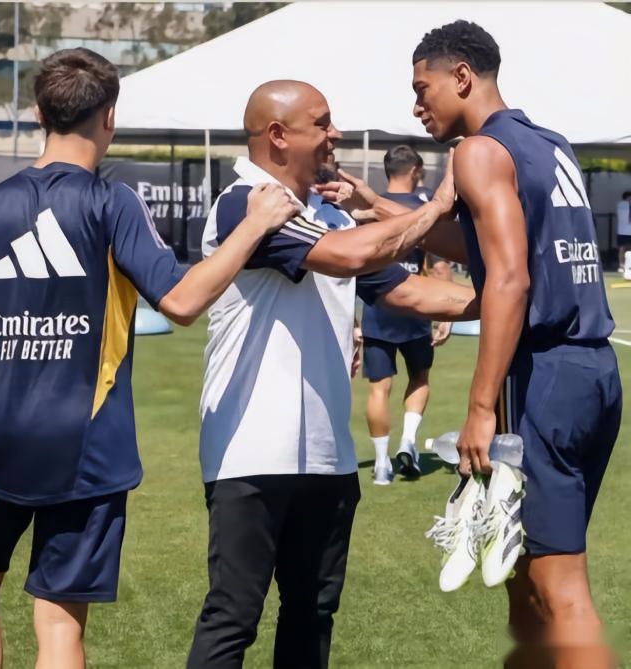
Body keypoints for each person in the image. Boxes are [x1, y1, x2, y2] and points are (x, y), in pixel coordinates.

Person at [0, 48, 299, 669]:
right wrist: (254, 224)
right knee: (59, 625)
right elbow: (182, 301)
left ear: (39, 115)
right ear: (110, 117)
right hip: (85, 450)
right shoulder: (112, 203)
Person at [339, 20, 619, 667]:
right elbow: (485, 244)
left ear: (461, 76)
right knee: (523, 574)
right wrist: (381, 206)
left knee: (559, 591)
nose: (416, 105)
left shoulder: (478, 152)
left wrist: (480, 407)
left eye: (422, 88)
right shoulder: (548, 143)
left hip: (542, 378)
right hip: (594, 374)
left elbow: (510, 278)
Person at [187, 79, 478, 669]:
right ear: (277, 135)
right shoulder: (247, 203)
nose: (335, 134)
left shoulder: (326, 215)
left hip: (329, 459)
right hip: (250, 454)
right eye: (322, 123)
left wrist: (511, 299)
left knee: (313, 615)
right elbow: (350, 256)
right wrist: (437, 207)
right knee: (233, 618)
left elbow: (410, 293)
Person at [361, 145, 453, 484]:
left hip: (378, 306)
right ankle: (408, 443)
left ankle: (381, 464)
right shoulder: (426, 209)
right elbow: (439, 265)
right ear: (416, 170)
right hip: (415, 306)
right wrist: (445, 315)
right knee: (420, 377)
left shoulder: (370, 208)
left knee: (378, 388)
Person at [616, 190, 631, 273]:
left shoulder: (619, 205)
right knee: (626, 248)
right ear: (628, 197)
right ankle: (627, 266)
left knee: (621, 248)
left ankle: (621, 265)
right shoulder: (629, 205)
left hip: (621, 230)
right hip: (628, 230)